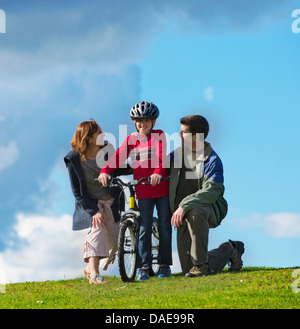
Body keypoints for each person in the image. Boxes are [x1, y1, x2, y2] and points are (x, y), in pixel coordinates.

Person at [99, 101, 172, 280]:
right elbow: (118, 156)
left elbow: (162, 159)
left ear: (153, 122)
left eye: (146, 121)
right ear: (134, 122)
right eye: (139, 121)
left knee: (164, 227)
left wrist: (156, 174)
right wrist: (105, 171)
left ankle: (164, 265)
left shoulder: (159, 136)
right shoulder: (132, 139)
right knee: (144, 229)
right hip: (143, 190)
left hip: (161, 188)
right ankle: (144, 267)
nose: (142, 124)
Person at [169, 115, 244, 277]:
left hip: (208, 208)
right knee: (187, 268)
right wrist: (109, 170)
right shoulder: (175, 156)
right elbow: (154, 168)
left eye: (183, 133)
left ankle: (201, 266)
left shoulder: (212, 160)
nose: (179, 135)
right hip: (182, 214)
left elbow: (211, 191)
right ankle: (230, 249)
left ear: (196, 137)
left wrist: (184, 205)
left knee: (196, 211)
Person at [64, 120, 132, 284]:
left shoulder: (107, 150)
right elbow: (77, 192)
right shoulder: (73, 158)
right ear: (88, 138)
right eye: (99, 133)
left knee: (117, 240)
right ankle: (94, 274)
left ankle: (89, 269)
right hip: (92, 203)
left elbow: (118, 167)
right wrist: (94, 211)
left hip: (110, 200)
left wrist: (141, 167)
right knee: (98, 228)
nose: (104, 135)